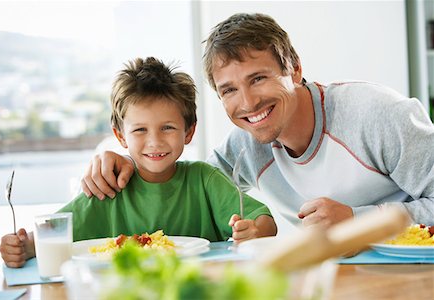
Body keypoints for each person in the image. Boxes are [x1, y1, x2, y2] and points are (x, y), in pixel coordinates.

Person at [81, 13, 434, 229]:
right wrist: (123, 161)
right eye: (229, 90)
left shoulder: (376, 115)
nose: (248, 103)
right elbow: (185, 183)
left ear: (294, 69)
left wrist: (359, 220)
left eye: (258, 78)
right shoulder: (245, 148)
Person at [0, 57, 277, 268]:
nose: (154, 142)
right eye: (140, 130)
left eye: (167, 128)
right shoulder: (108, 188)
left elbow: (264, 222)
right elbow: (54, 234)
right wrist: (24, 247)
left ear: (189, 131)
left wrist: (254, 231)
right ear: (120, 135)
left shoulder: (205, 180)